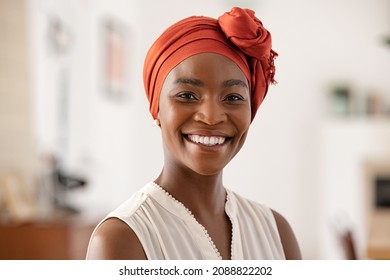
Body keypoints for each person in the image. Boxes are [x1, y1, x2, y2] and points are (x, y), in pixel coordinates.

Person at [86, 7, 301, 260]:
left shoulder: (276, 232)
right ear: (157, 109)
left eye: (232, 97)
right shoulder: (122, 239)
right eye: (187, 95)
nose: (211, 117)